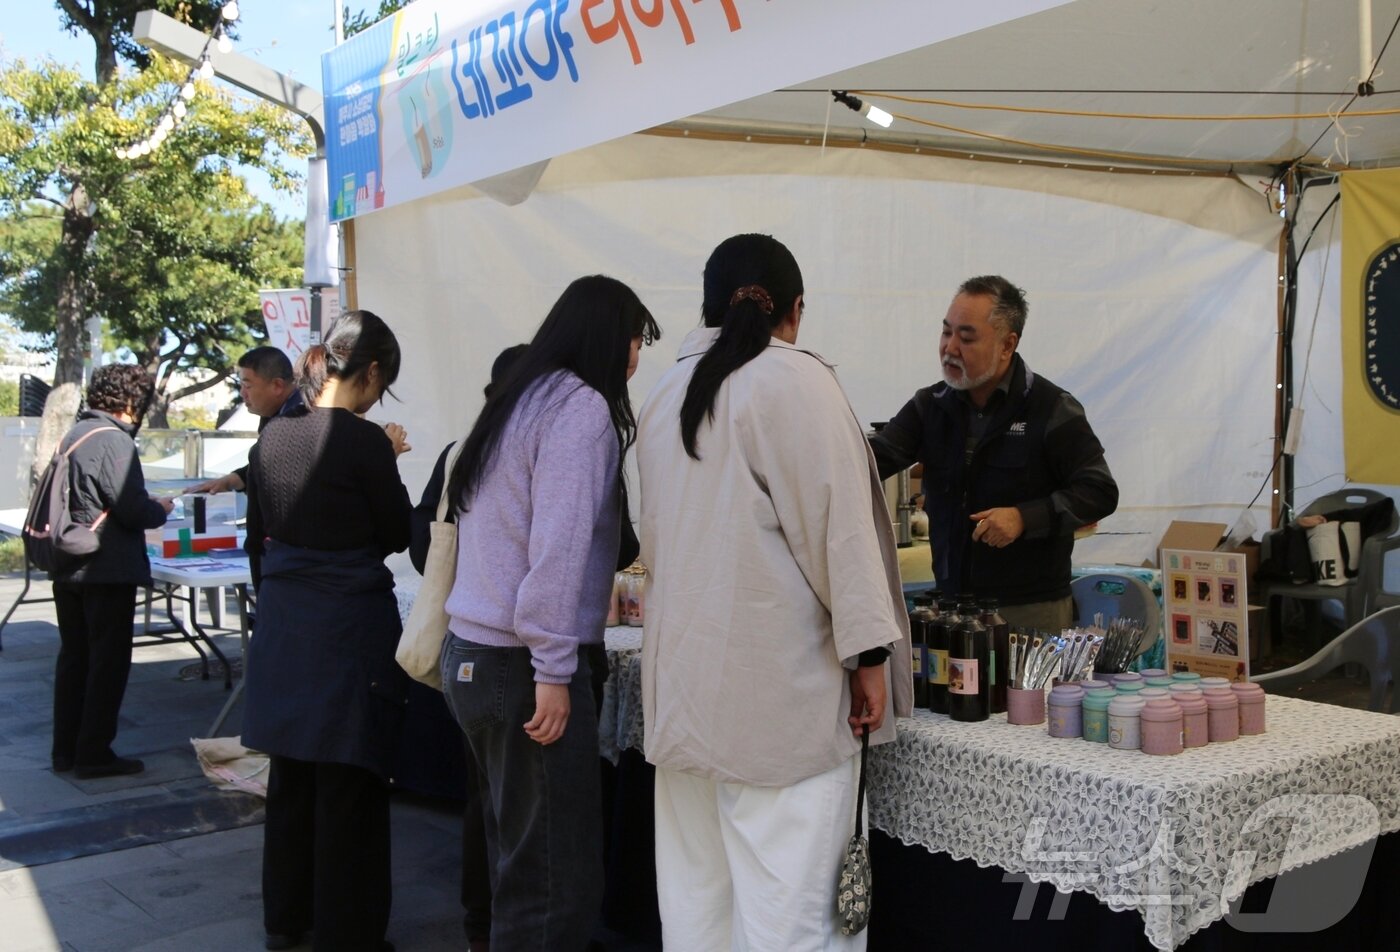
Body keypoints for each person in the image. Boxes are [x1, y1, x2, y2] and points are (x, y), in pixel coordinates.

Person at [636, 234, 912, 951]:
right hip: (778, 704)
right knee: (792, 925)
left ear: (706, 308)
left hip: (686, 699)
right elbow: (842, 539)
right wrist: (871, 659)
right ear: (796, 311)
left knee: (700, 915)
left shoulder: (665, 393)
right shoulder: (797, 383)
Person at [439, 275, 659, 952]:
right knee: (556, 882)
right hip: (519, 666)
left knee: (522, 867)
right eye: (632, 337)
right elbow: (558, 552)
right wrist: (555, 670)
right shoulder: (580, 408)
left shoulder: (520, 397)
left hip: (474, 657)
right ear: (604, 335)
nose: (636, 355)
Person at [242, 310, 413, 952]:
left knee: (291, 775)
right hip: (347, 624)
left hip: (286, 619)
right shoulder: (362, 441)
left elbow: (260, 536)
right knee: (351, 779)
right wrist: (389, 456)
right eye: (382, 382)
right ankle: (350, 931)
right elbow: (395, 533)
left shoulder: (270, 440)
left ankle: (286, 918)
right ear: (369, 372)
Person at [870, 276, 1118, 633]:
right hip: (951, 609)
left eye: (966, 337)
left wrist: (1023, 518)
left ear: (1007, 344)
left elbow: (1099, 491)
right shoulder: (930, 406)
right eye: (946, 332)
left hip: (1031, 611)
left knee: (1027, 694)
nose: (950, 348)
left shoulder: (1052, 409)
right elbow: (873, 460)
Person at [50, 364, 174, 779]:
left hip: (69, 564)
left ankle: (65, 750)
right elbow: (132, 508)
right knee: (107, 662)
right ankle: (94, 753)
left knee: (74, 659)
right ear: (130, 401)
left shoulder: (76, 433)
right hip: (105, 567)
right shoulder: (114, 441)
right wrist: (161, 508)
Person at [191, 346, 304, 493]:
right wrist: (229, 481)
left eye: (247, 386)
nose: (242, 393)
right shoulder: (272, 413)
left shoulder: (303, 419)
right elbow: (262, 468)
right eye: (241, 385)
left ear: (277, 385)